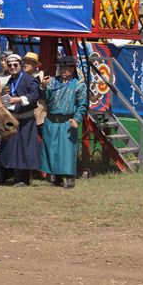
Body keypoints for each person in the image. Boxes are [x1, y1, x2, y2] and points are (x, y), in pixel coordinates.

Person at [40, 56, 88, 188]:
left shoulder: (78, 85)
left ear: (72, 69)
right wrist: (43, 87)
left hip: (67, 120)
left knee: (66, 151)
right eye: (61, 67)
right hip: (51, 120)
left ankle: (69, 177)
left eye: (66, 67)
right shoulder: (51, 82)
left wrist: (77, 119)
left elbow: (82, 105)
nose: (63, 70)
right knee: (51, 149)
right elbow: (44, 98)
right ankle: (55, 177)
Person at [0, 53, 40, 186]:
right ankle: (7, 175)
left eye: (15, 65)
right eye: (10, 65)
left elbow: (34, 95)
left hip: (26, 120)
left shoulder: (29, 79)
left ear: (20, 65)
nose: (12, 67)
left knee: (24, 149)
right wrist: (4, 94)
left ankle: (23, 179)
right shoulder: (11, 80)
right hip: (13, 118)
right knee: (8, 147)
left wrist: (20, 99)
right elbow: (9, 95)